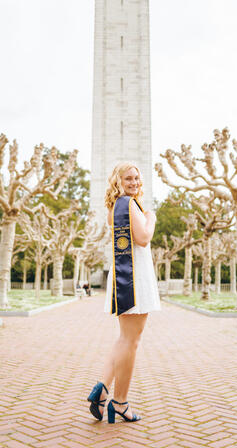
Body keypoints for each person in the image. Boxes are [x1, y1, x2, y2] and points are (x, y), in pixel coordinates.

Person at [87, 162, 161, 424]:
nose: (135, 182)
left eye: (137, 178)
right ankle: (119, 402)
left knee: (124, 339)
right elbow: (143, 238)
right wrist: (151, 217)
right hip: (134, 279)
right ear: (117, 180)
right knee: (131, 341)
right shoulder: (128, 204)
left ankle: (102, 389)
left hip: (127, 276)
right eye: (129, 178)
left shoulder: (116, 206)